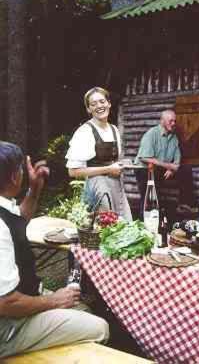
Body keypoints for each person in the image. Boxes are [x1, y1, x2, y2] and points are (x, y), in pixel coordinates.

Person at [0, 141, 109, 358]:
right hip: (7, 327)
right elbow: (5, 303)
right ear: (14, 176)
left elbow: (18, 218)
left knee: (82, 310)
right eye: (21, 168)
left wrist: (35, 187)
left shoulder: (5, 205)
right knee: (100, 328)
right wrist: (55, 300)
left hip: (20, 302)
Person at [66, 87, 132, 220]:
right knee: (104, 229)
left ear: (109, 103)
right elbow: (73, 171)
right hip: (97, 188)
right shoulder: (84, 132)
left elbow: (112, 161)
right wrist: (108, 169)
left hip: (117, 187)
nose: (99, 106)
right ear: (88, 109)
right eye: (93, 104)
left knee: (124, 226)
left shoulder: (114, 129)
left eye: (102, 101)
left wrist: (121, 164)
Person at [134, 109, 197, 218]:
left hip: (159, 168)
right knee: (150, 196)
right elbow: (144, 157)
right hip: (144, 169)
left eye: (175, 121)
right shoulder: (151, 134)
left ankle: (185, 205)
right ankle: (145, 218)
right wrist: (169, 166)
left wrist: (172, 169)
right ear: (162, 121)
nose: (173, 124)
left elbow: (177, 160)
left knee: (186, 169)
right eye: (170, 121)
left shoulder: (174, 137)